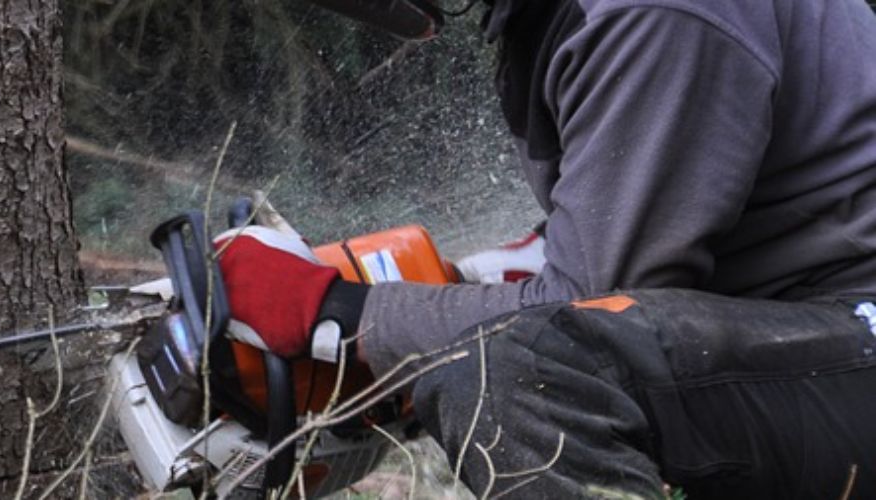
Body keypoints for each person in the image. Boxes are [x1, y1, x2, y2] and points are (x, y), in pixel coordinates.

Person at [216, 0, 876, 497]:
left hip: (856, 331)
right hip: (816, 324)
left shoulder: (651, 12)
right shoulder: (554, 14)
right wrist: (448, 291)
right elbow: (614, 228)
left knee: (517, 378)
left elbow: (588, 311)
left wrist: (342, 314)